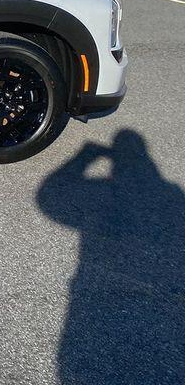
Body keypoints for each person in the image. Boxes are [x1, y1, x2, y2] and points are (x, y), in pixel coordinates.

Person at [37, 129, 185, 384]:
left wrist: (85, 156)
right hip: (151, 298)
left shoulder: (167, 193)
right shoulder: (170, 193)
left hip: (97, 292)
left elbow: (49, 196)